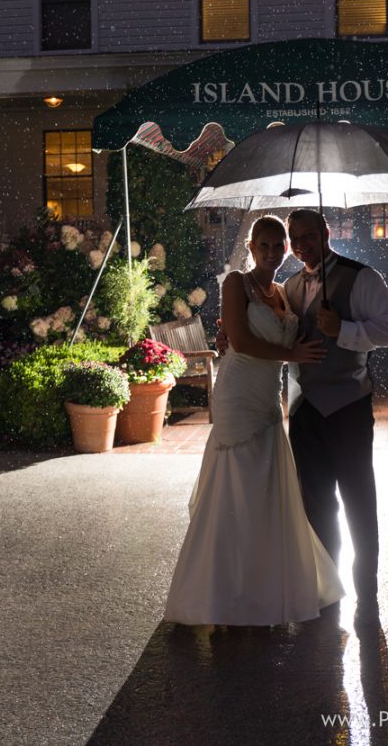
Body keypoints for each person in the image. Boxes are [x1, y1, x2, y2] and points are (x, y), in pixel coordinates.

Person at [218, 209, 388, 626]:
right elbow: (261, 332)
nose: (301, 245)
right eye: (296, 238)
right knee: (315, 505)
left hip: (349, 406)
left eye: (307, 236)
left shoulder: (361, 277)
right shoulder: (288, 287)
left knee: (359, 501)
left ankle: (368, 591)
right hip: (303, 410)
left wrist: (345, 329)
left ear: (325, 234)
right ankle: (326, 589)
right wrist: (227, 333)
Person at [164, 215, 344, 626]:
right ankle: (224, 594)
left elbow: (290, 336)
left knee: (264, 493)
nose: (272, 252)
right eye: (264, 245)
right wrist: (289, 354)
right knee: (237, 490)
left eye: (279, 245)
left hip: (267, 401)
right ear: (251, 247)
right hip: (237, 396)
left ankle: (263, 589)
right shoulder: (236, 283)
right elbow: (241, 341)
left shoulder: (284, 292)